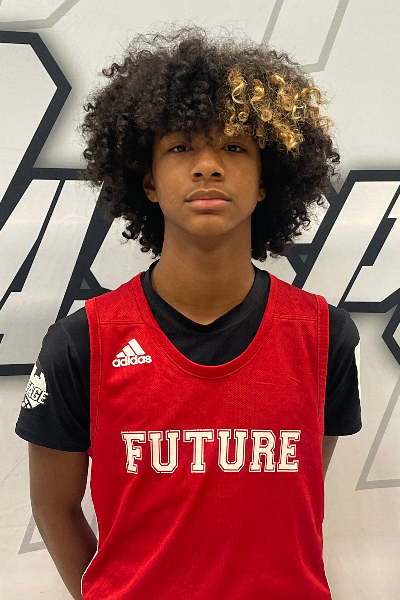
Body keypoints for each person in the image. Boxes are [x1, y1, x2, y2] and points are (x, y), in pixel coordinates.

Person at [16, 25, 362, 600]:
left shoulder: (326, 336)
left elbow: (295, 495)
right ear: (148, 181)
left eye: (234, 147)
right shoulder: (82, 343)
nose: (207, 166)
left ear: (266, 180)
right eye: (180, 147)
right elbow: (53, 508)